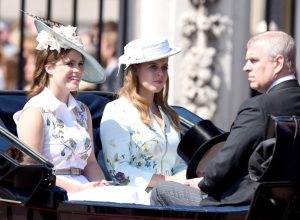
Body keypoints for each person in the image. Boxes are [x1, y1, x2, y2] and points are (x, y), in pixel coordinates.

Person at [150, 31, 300, 206]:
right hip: (287, 204)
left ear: (278, 62)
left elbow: (227, 162)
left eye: (254, 60)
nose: (246, 67)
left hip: (242, 204)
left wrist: (201, 182)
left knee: (162, 190)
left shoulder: (258, 107)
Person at [13, 14, 150, 204]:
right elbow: (33, 171)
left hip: (85, 189)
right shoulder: (35, 112)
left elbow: (91, 163)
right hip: (54, 193)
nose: (77, 70)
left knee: (137, 196)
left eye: (80, 64)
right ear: (49, 67)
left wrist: (103, 187)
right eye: (69, 63)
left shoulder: (82, 111)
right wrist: (78, 188)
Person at [100, 37, 187, 192]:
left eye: (164, 67)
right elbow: (119, 171)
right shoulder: (117, 110)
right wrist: (169, 181)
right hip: (138, 202)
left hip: (174, 198)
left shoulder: (170, 114)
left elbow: (178, 165)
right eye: (153, 67)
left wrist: (190, 178)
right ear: (135, 70)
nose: (160, 73)